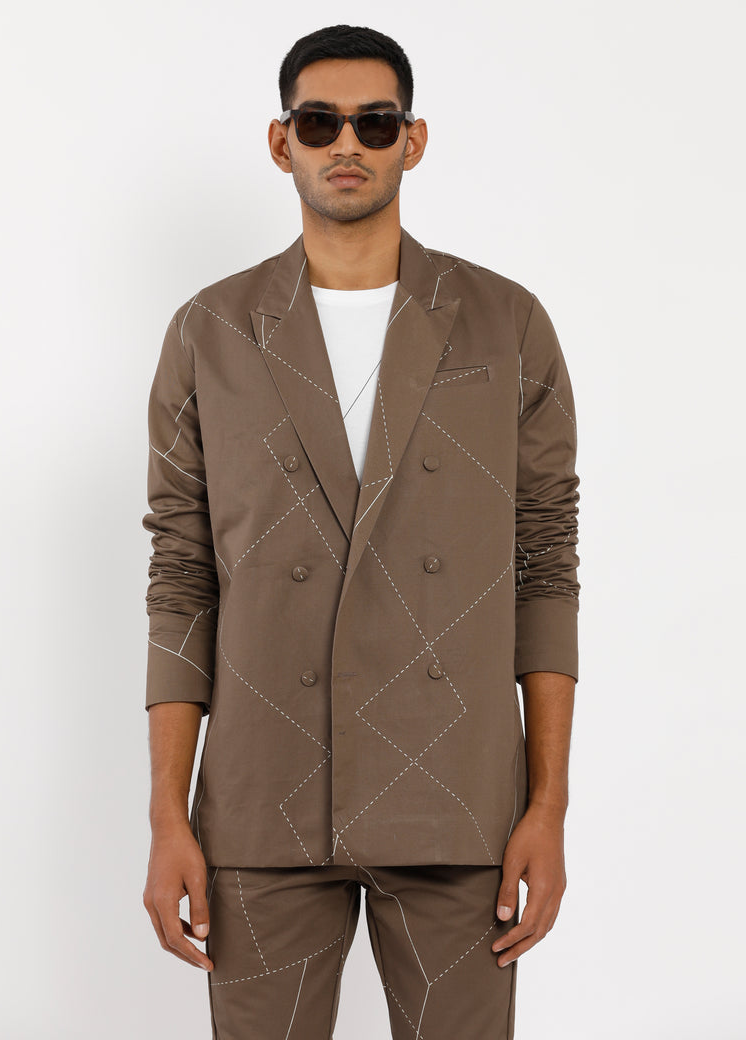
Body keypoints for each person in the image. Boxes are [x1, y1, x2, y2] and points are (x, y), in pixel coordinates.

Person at [141, 23, 580, 1040]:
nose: (347, 142)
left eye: (375, 122)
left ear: (412, 140)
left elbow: (544, 565)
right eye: (319, 121)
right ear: (280, 140)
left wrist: (546, 806)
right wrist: (168, 813)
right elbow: (180, 575)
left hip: (457, 798)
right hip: (262, 799)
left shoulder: (504, 322)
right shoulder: (210, 330)